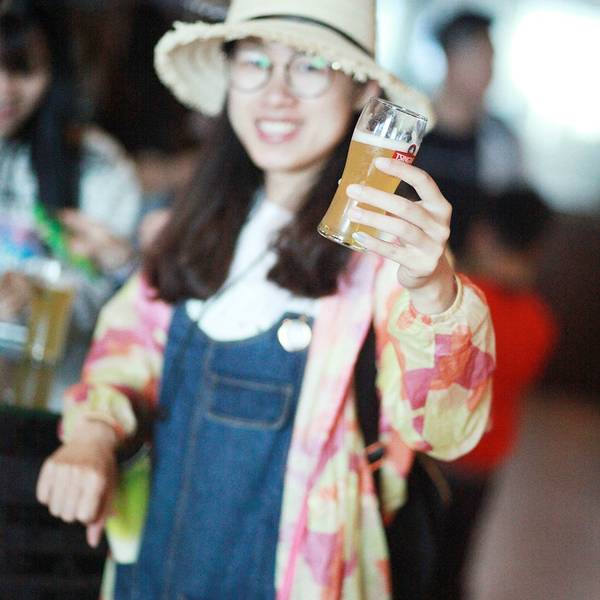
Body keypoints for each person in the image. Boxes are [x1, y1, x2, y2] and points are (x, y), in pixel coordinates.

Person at [36, 1, 496, 599]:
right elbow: (125, 353)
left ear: (361, 93)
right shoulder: (190, 227)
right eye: (255, 62)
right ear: (230, 77)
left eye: (309, 67)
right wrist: (92, 436)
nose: (276, 93)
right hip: (152, 570)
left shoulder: (389, 257)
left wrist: (434, 289)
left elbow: (446, 431)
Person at [435, 187, 558, 600]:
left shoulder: (454, 301)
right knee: (454, 566)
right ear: (536, 249)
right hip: (485, 462)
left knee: (416, 564)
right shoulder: (539, 320)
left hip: (433, 458)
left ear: (482, 234)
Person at [0, 1, 141, 332]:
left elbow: (112, 301)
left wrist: (37, 294)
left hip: (45, 359)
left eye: (23, 68)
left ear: (54, 69)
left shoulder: (96, 165)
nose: (5, 89)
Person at [416, 10, 523, 195]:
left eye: (490, 60)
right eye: (478, 58)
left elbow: (509, 199)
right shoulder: (410, 124)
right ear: (450, 58)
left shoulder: (500, 140)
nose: (487, 72)